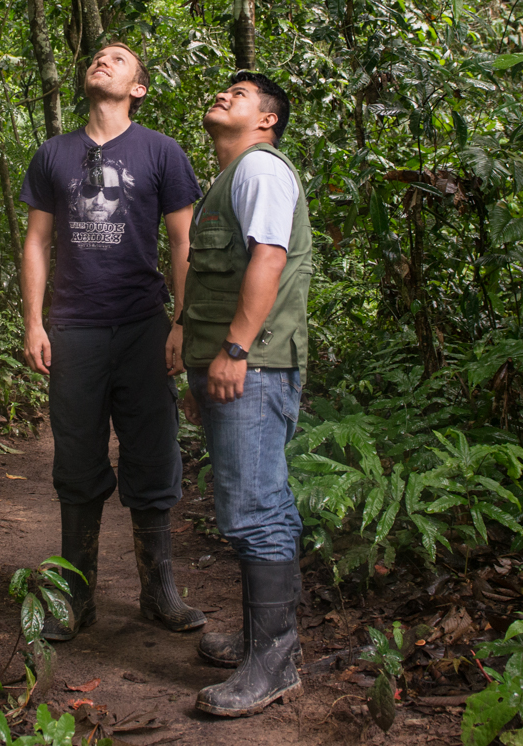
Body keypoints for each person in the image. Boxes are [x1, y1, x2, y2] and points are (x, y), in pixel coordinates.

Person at [19, 42, 206, 642]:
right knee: (76, 457)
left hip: (142, 324)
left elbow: (183, 243)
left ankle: (159, 592)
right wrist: (33, 322)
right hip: (75, 327)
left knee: (153, 453)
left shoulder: (161, 151)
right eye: (98, 56)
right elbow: (36, 243)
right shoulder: (53, 154)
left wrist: (183, 321)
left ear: (139, 88)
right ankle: (78, 597)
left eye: (119, 59)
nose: (104, 60)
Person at [181, 71, 312, 718]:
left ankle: (275, 660)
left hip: (253, 366)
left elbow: (269, 259)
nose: (224, 95)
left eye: (241, 94)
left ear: (266, 120)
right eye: (224, 90)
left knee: (255, 508)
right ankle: (264, 642)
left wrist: (234, 350)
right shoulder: (230, 180)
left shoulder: (261, 169)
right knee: (254, 501)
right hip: (233, 367)